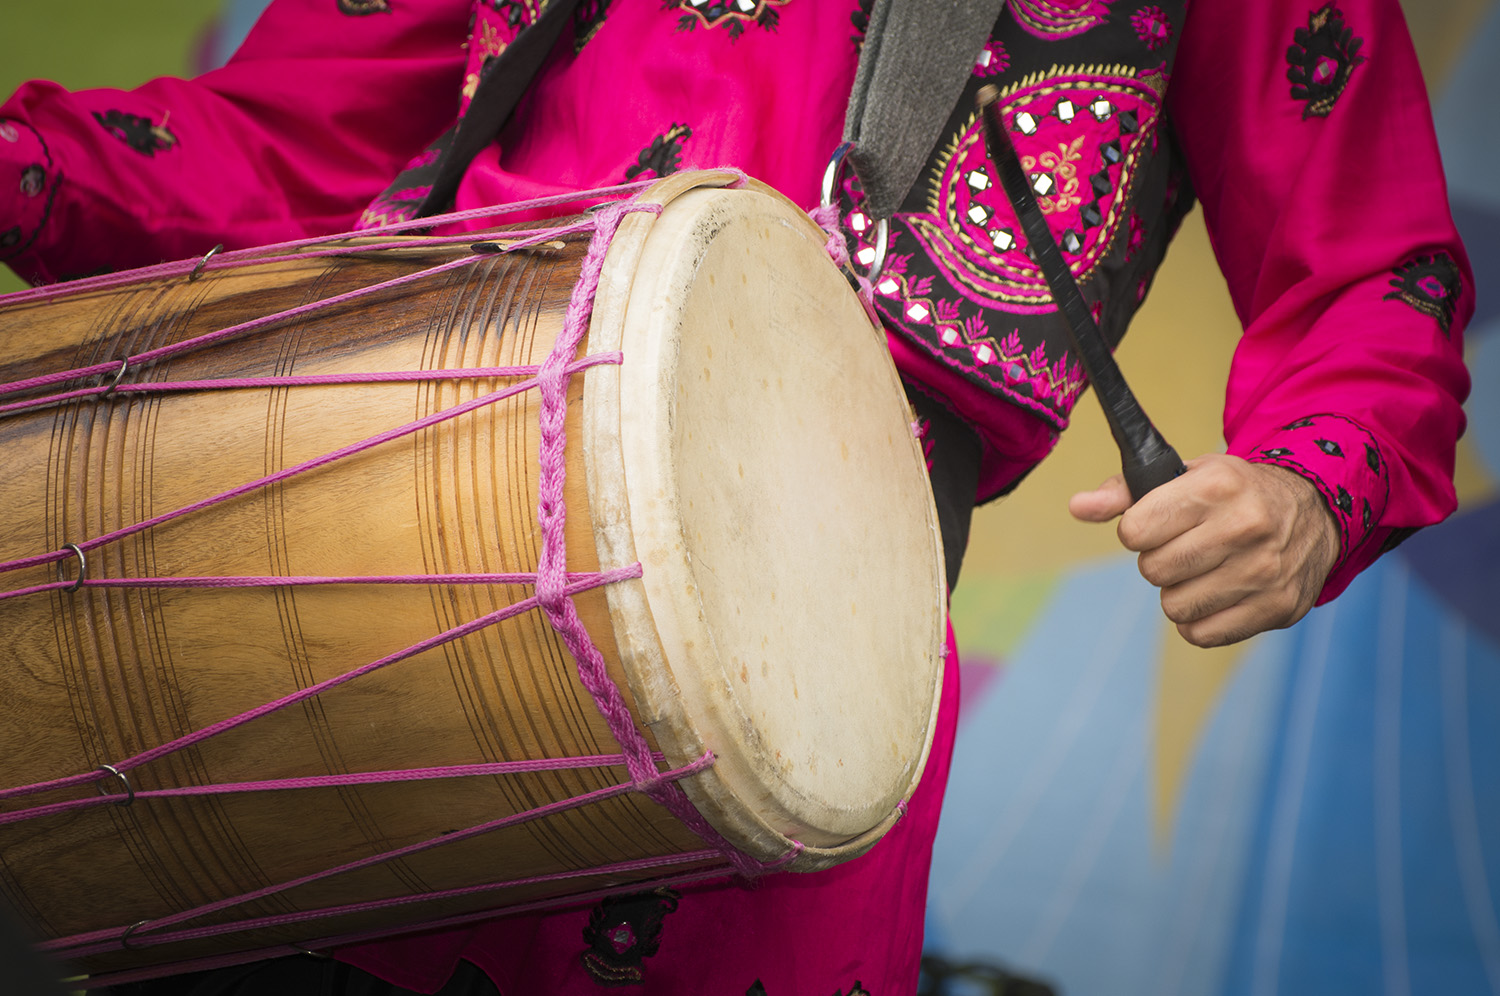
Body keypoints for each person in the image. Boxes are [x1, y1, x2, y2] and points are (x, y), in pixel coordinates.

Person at [0, 1, 1471, 994]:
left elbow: (1369, 270)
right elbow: (295, 138)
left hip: (797, 650)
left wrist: (1306, 484)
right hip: (360, 551)